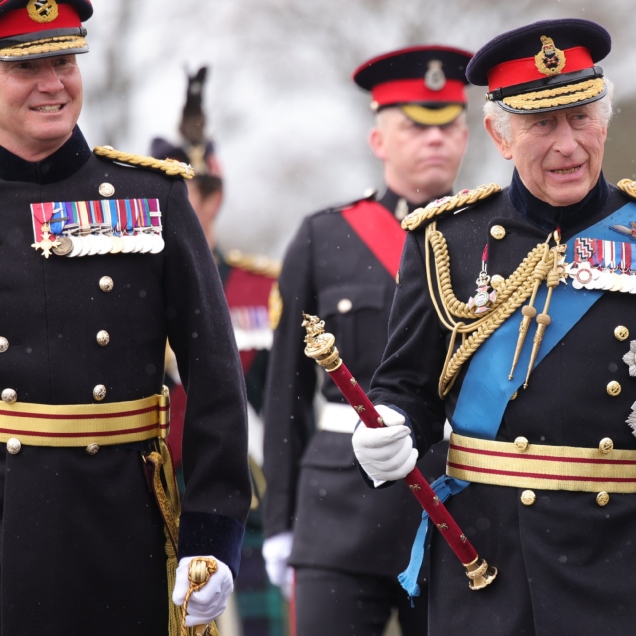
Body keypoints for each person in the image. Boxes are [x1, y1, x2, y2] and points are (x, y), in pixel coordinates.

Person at [358, 18, 636, 635]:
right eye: (542, 124)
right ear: (498, 135)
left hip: (634, 566)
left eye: (581, 118)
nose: (568, 145)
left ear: (606, 123)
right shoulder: (447, 241)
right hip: (489, 568)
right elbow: (406, 387)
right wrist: (386, 427)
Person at [0, 1, 250, 633]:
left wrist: (213, 533)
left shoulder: (152, 196)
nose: (53, 83)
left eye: (64, 61)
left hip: (122, 522)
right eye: (27, 67)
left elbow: (215, 376)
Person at [262, 44, 473, 636]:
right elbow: (286, 393)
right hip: (338, 513)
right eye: (415, 127)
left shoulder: (494, 238)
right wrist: (280, 520)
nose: (435, 139)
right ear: (379, 140)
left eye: (448, 127)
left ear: (466, 136)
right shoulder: (323, 238)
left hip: (458, 505)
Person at [152, 66, 288, 636]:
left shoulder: (262, 288)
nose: (192, 202)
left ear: (218, 196)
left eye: (203, 190)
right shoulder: (127, 285)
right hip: (152, 492)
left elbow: (283, 403)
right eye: (181, 188)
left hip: (242, 494)